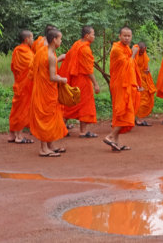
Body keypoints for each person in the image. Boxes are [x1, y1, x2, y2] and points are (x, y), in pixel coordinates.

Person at [29, 29, 68, 157]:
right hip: (46, 91)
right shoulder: (50, 55)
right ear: (54, 40)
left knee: (51, 117)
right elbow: (52, 76)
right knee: (45, 118)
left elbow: (43, 67)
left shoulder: (43, 51)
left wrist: (59, 59)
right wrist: (63, 79)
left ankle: (51, 145)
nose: (61, 41)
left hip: (44, 89)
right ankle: (43, 148)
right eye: (60, 39)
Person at [103, 27, 141, 151]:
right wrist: (134, 54)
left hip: (124, 83)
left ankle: (116, 143)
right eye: (124, 35)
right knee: (124, 111)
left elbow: (130, 66)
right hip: (120, 84)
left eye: (129, 36)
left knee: (119, 112)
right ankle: (110, 136)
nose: (127, 38)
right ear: (119, 36)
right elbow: (127, 65)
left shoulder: (126, 49)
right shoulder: (116, 49)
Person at [58, 26, 100, 137]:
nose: (94, 36)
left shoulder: (77, 44)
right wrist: (95, 84)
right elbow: (88, 70)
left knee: (72, 104)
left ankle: (61, 127)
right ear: (87, 36)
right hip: (83, 80)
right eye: (93, 34)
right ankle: (83, 131)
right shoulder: (85, 49)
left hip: (74, 79)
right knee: (84, 104)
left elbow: (70, 56)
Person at [7, 30, 35, 143]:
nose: (33, 40)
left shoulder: (17, 50)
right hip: (24, 85)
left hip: (19, 83)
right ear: (26, 39)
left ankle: (12, 134)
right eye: (32, 38)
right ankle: (19, 136)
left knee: (16, 108)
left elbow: (14, 67)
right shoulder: (24, 52)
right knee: (21, 109)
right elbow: (33, 65)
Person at [134, 41, 156, 126]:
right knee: (142, 98)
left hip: (144, 78)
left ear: (145, 49)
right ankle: (139, 119)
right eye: (140, 51)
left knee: (146, 97)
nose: (141, 53)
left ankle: (139, 118)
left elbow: (146, 64)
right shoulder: (134, 54)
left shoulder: (144, 54)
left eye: (143, 51)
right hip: (137, 79)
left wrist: (148, 69)